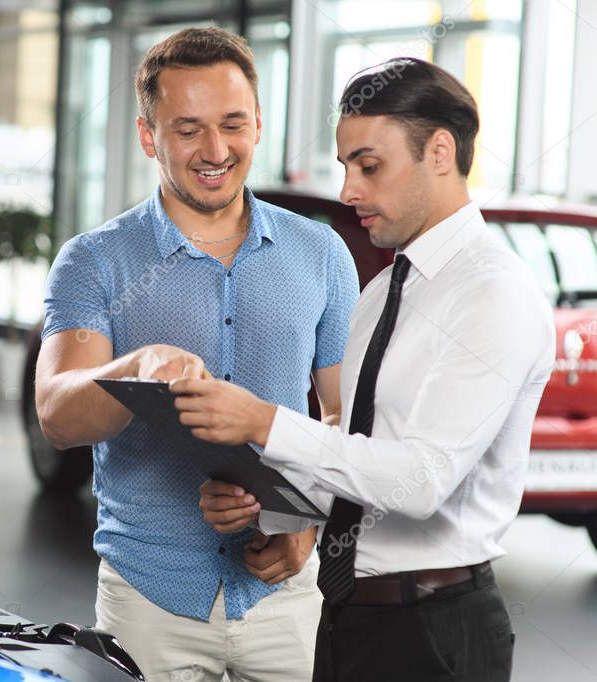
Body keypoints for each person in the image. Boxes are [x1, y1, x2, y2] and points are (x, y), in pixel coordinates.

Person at [178, 57, 555, 682]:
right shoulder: (383, 290)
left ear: (439, 151)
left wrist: (265, 421)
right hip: (351, 617)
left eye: (369, 167)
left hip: (434, 635)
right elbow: (361, 459)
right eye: (346, 167)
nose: (349, 192)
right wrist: (272, 510)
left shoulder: (494, 292)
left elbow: (423, 478)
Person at [35, 27, 359, 681]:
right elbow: (58, 416)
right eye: (187, 129)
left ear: (258, 124)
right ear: (148, 135)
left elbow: (347, 420)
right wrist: (133, 367)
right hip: (149, 604)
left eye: (232, 124)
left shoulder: (320, 254)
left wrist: (298, 517)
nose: (215, 151)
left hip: (288, 597)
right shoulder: (95, 260)